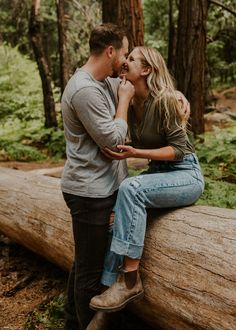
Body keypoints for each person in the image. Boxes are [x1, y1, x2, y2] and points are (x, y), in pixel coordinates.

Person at [89, 46, 205, 315]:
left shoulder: (166, 101)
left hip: (185, 174)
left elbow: (178, 149)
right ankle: (109, 292)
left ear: (146, 70)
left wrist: (135, 153)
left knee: (131, 187)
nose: (125, 62)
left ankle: (130, 281)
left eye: (131, 59)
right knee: (116, 214)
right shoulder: (129, 100)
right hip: (158, 175)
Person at [60, 23, 135, 330]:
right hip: (90, 193)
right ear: (110, 51)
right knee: (90, 273)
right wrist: (125, 104)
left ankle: (70, 322)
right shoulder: (85, 89)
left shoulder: (103, 81)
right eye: (124, 53)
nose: (127, 60)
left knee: (84, 263)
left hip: (100, 187)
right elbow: (114, 139)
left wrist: (177, 96)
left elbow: (117, 131)